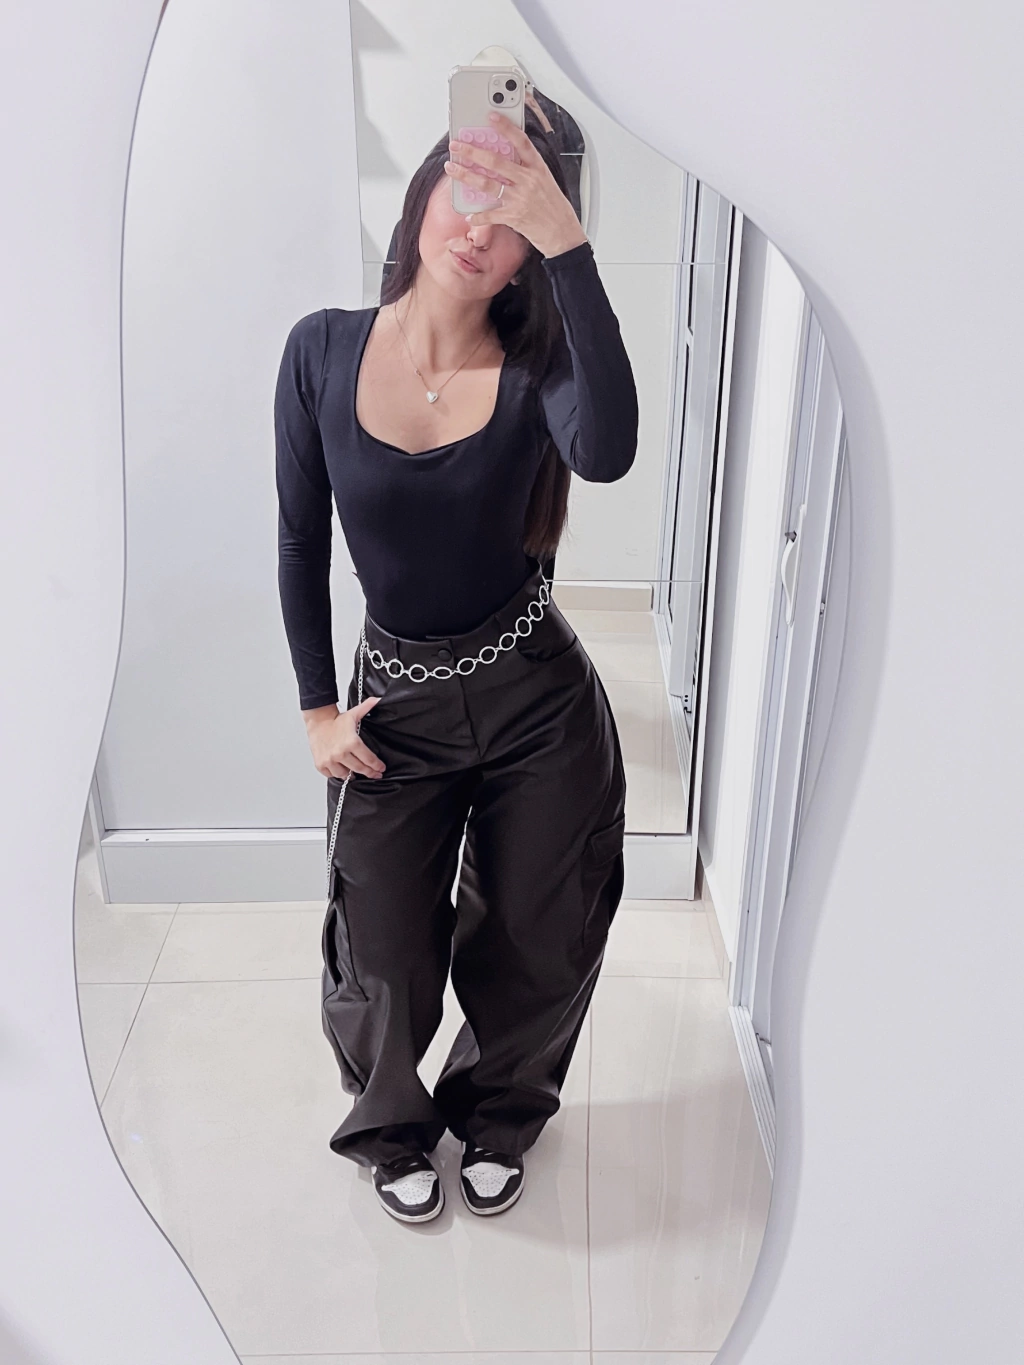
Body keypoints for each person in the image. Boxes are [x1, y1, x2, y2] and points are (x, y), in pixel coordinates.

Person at [274, 108, 638, 1224]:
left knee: (538, 934)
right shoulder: (321, 349)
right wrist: (317, 710)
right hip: (392, 709)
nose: (478, 231)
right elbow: (297, 541)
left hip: (537, 701)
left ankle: (497, 1115)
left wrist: (570, 243)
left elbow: (608, 451)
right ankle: (391, 1127)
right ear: (422, 193)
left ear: (533, 247)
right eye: (465, 192)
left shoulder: (541, 369)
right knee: (381, 947)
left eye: (512, 214)